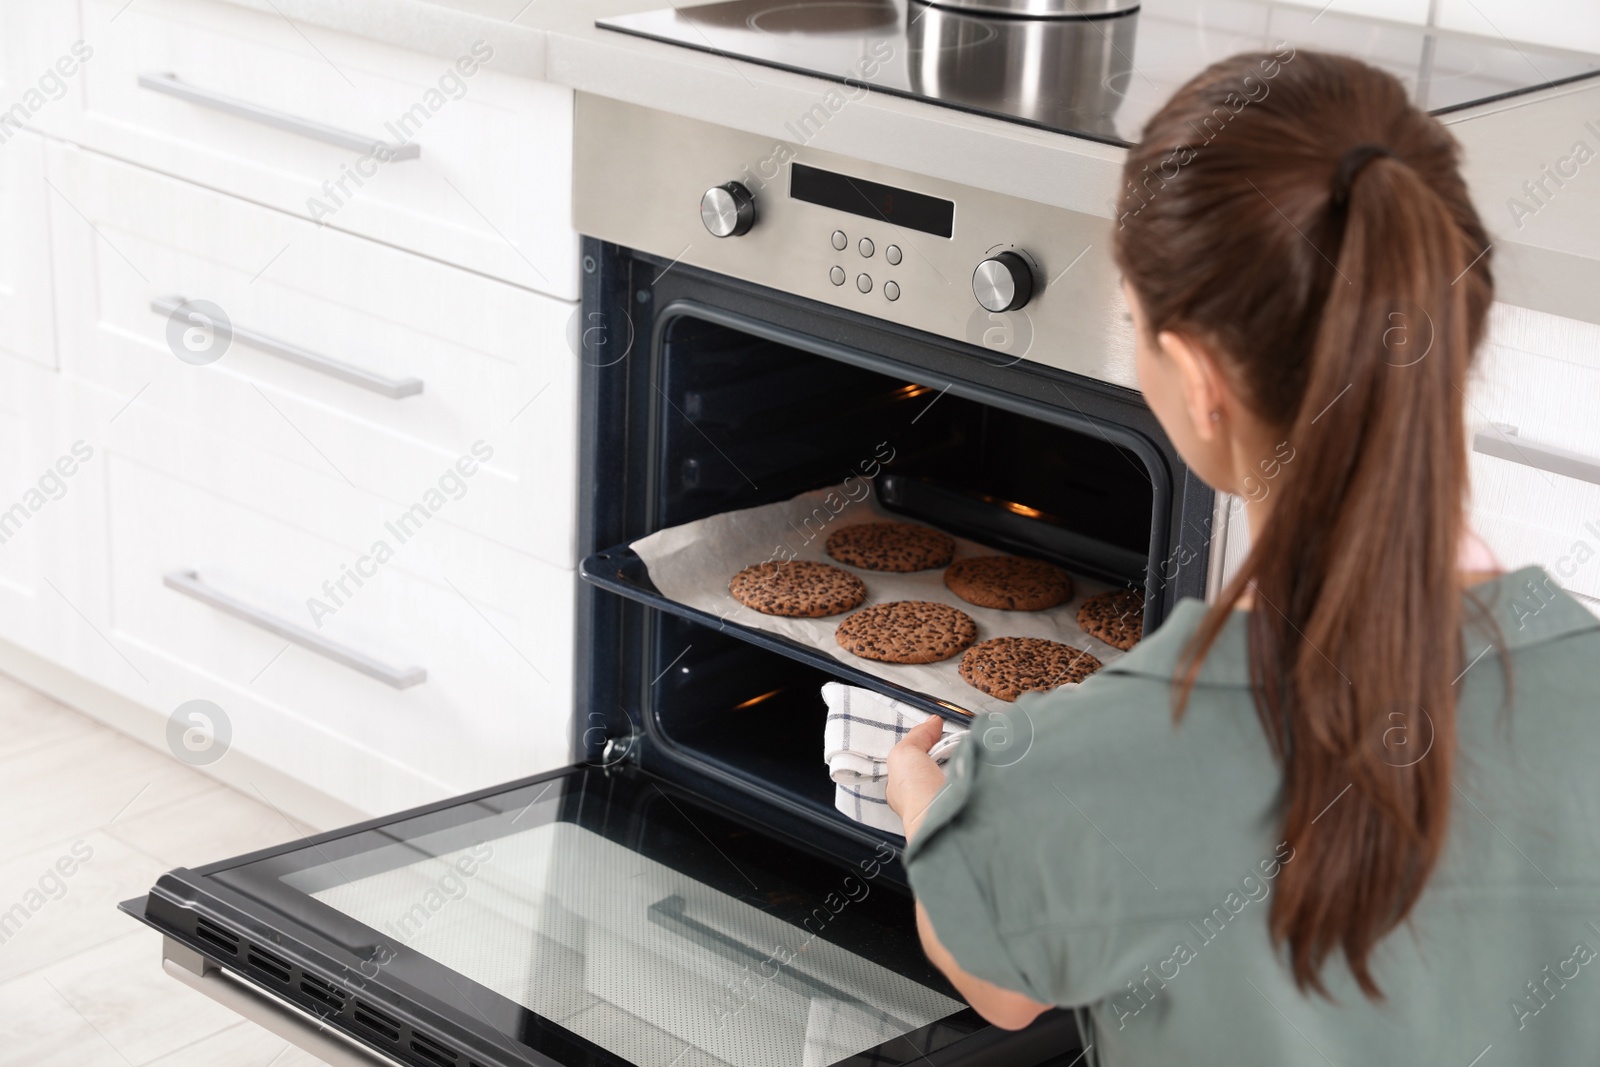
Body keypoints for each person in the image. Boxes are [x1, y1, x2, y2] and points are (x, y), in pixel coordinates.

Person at [886, 49, 1600, 1066]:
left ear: (1196, 377)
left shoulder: (1076, 766)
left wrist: (926, 804)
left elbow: (998, 988)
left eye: (1135, 324)